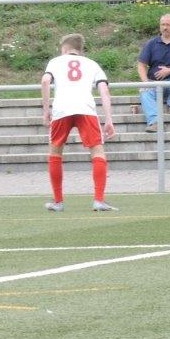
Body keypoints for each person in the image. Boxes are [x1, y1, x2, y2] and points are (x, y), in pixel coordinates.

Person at [41, 33, 117, 212]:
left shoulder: (55, 62)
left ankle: (58, 202)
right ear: (80, 50)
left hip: (62, 109)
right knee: (97, 152)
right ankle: (99, 200)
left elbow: (45, 81)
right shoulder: (92, 64)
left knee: (55, 152)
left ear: (65, 49)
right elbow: (104, 90)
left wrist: (46, 110)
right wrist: (109, 119)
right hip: (86, 109)